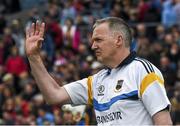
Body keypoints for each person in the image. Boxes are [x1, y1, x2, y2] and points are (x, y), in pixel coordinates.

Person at [25, 17, 172, 125]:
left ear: (118, 40)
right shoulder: (96, 81)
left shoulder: (142, 71)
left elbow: (163, 122)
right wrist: (34, 57)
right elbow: (54, 95)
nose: (93, 46)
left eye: (98, 40)